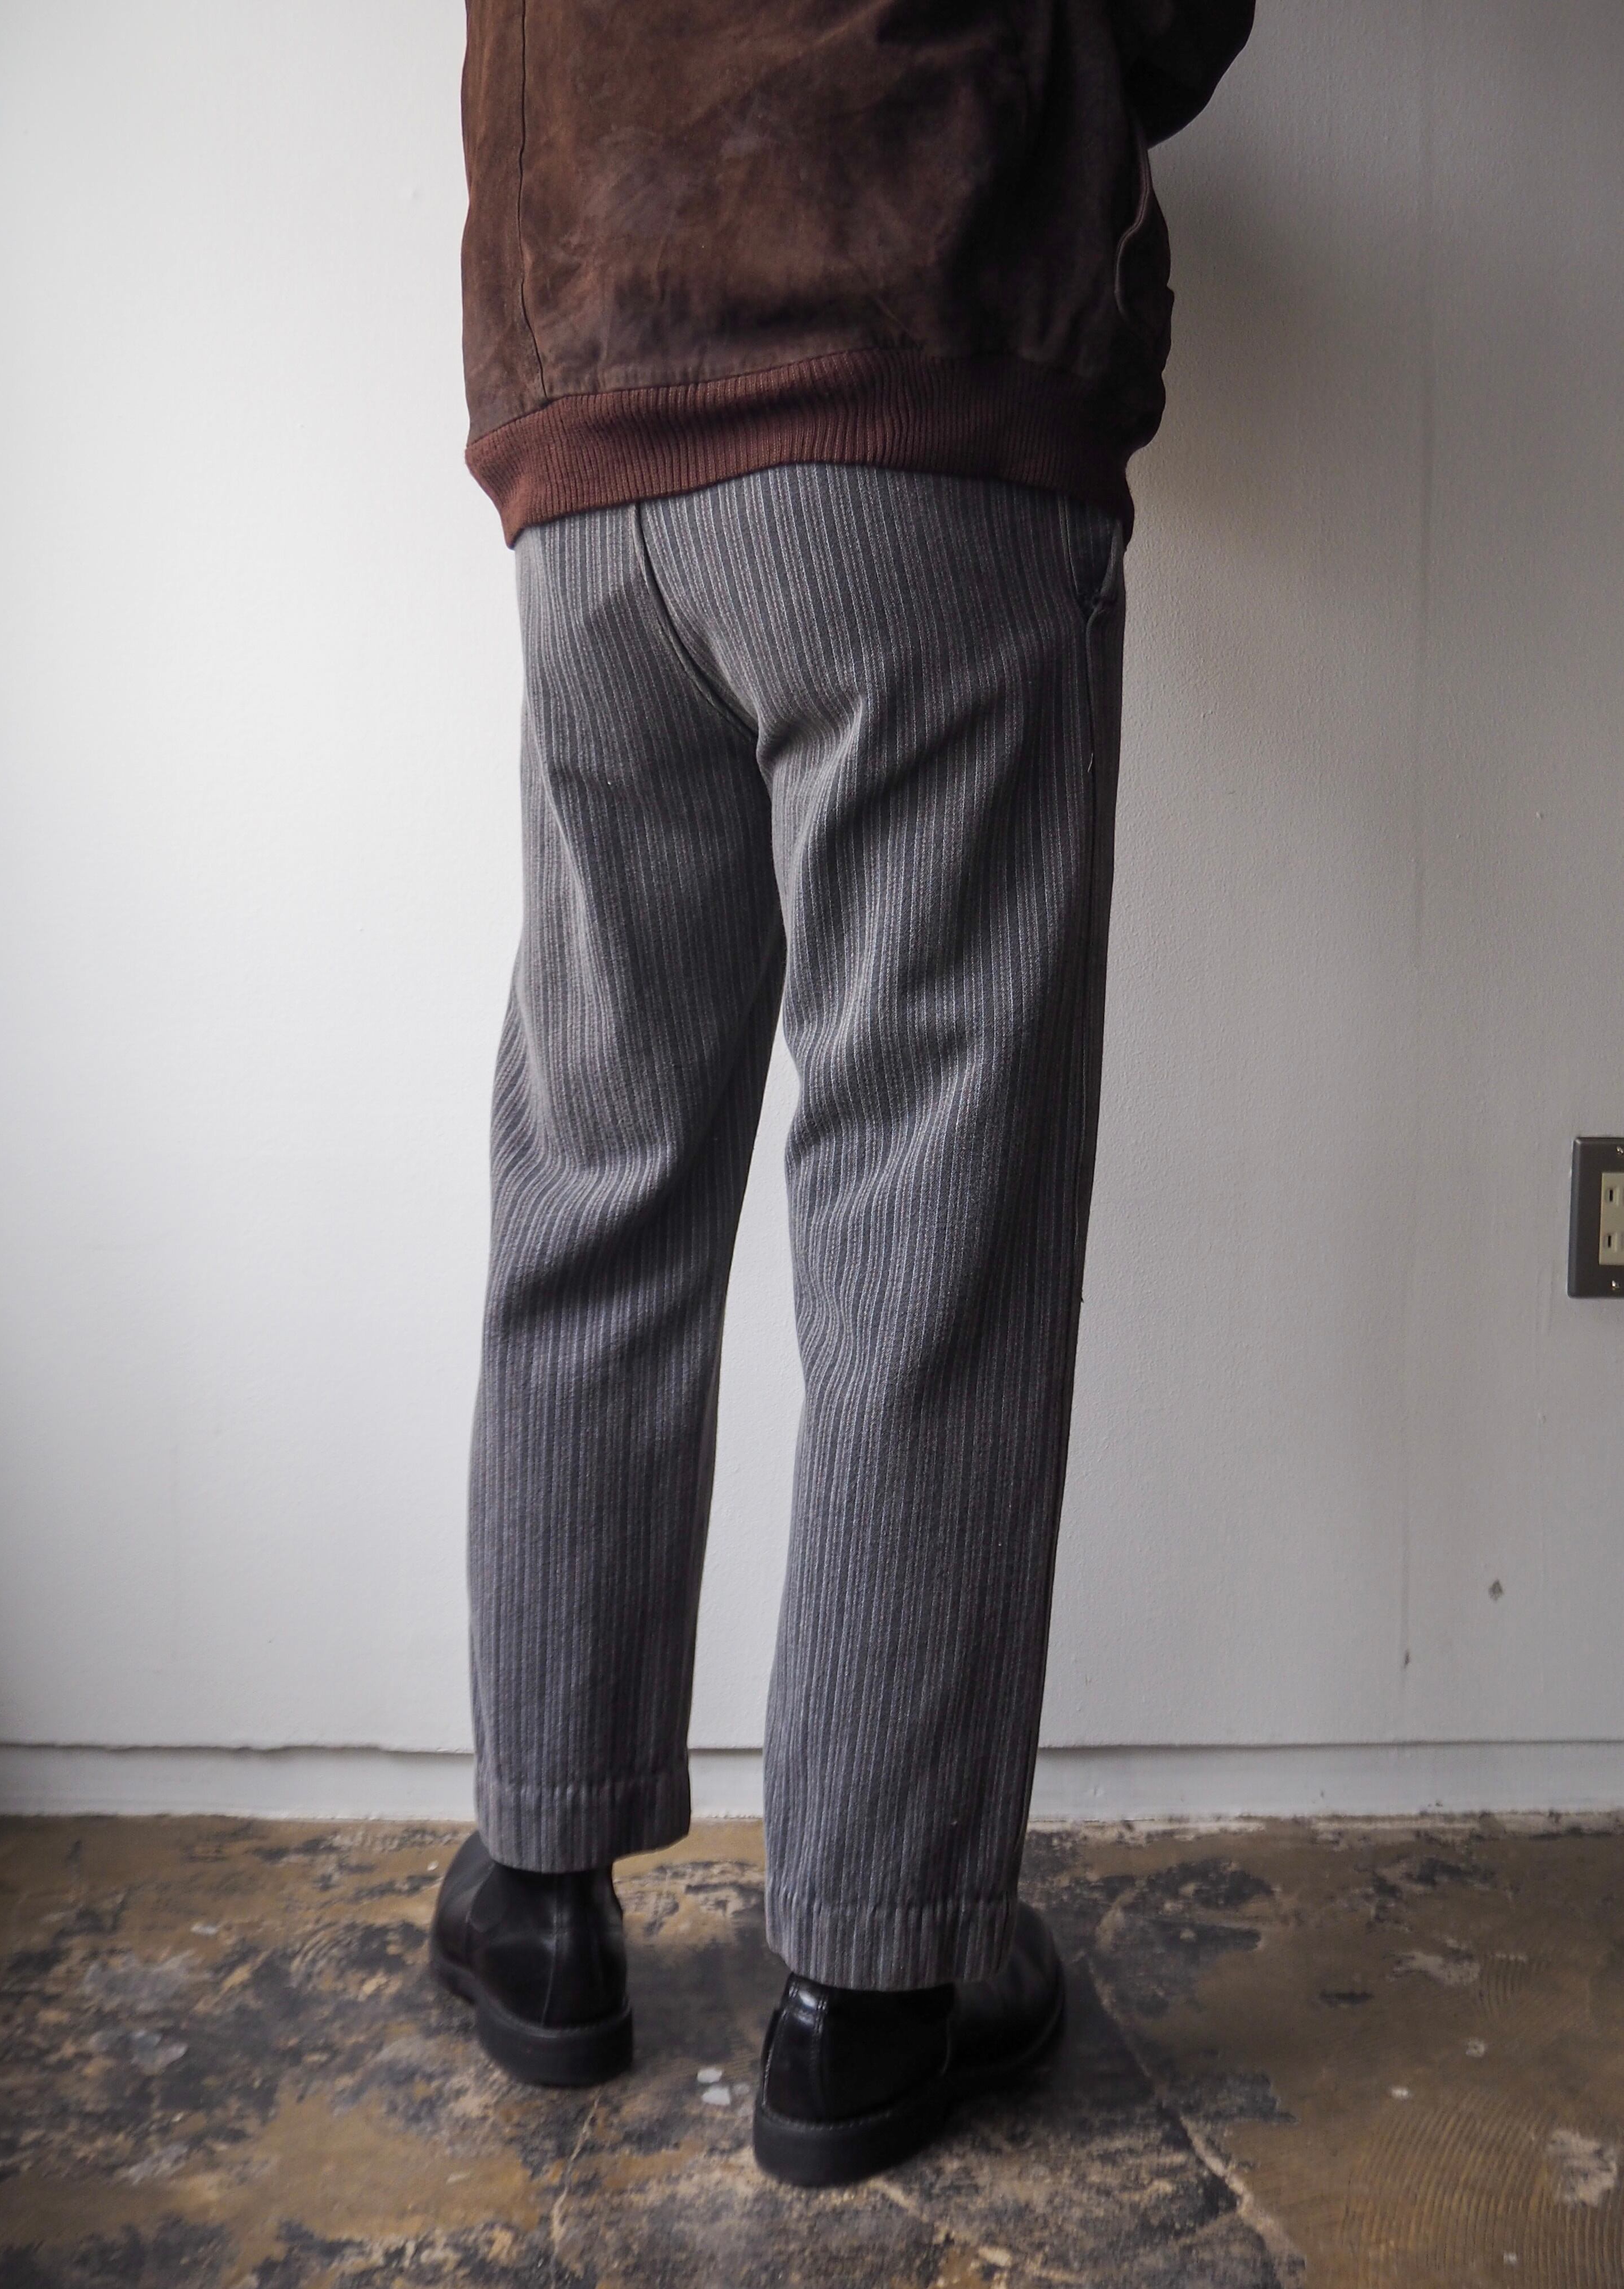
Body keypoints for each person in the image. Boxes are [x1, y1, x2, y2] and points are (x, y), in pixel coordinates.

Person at [429, 0, 1253, 2187]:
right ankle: (877, 1986)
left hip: (591, 434)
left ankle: (537, 1894)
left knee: (600, 1150)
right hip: (904, 386)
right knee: (931, 1200)